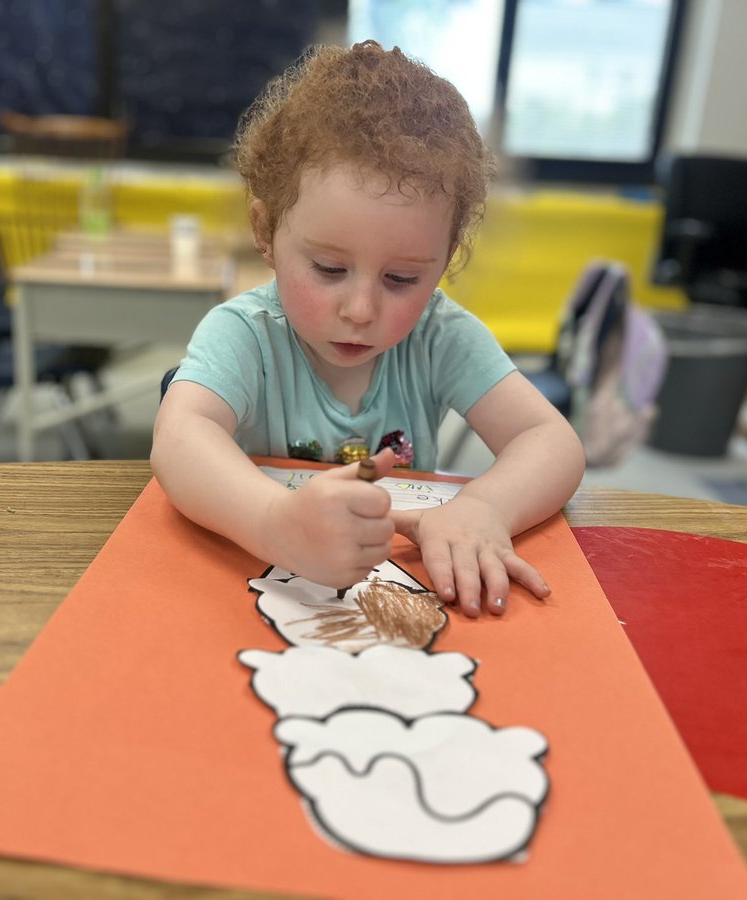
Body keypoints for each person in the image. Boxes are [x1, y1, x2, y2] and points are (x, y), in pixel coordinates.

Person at [152, 41, 585, 618]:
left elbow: (552, 442)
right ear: (267, 230)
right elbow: (180, 437)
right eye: (329, 269)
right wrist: (272, 522)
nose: (360, 309)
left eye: (403, 278)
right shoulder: (245, 333)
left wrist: (484, 507)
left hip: (397, 599)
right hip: (255, 589)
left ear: (446, 256)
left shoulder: (440, 336)